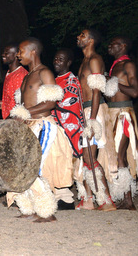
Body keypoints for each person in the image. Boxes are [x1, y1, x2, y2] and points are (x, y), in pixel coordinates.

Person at [8, 38, 73, 222]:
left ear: (33, 52)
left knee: (36, 167)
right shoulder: (28, 76)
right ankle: (30, 207)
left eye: (21, 51)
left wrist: (25, 112)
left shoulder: (44, 73)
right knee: (23, 167)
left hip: (42, 125)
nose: (18, 55)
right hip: (28, 126)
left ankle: (47, 212)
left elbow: (51, 103)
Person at [76, 28, 117, 211]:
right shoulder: (84, 61)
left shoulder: (94, 60)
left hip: (94, 109)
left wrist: (92, 119)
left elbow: (96, 91)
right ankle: (89, 199)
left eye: (83, 35)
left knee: (90, 155)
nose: (79, 37)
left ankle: (106, 200)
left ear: (91, 40)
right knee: (85, 156)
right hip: (85, 109)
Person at [105, 36, 138, 210]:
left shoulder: (128, 65)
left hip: (123, 114)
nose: (110, 46)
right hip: (112, 112)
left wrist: (114, 83)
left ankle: (128, 200)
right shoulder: (115, 66)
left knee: (120, 155)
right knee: (119, 155)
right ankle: (126, 197)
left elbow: (134, 92)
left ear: (123, 46)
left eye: (114, 44)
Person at [51, 48, 85, 209]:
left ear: (68, 62)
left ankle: (66, 199)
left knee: (63, 160)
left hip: (67, 127)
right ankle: (59, 195)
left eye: (61, 59)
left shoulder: (71, 81)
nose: (57, 61)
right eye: (56, 58)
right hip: (56, 125)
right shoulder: (55, 80)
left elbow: (69, 104)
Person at [0, 44, 28, 119]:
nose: (3, 54)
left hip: (15, 121)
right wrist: (3, 105)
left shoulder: (20, 75)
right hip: (9, 119)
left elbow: (21, 104)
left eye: (7, 53)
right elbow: (11, 98)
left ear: (16, 55)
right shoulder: (10, 72)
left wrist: (7, 121)